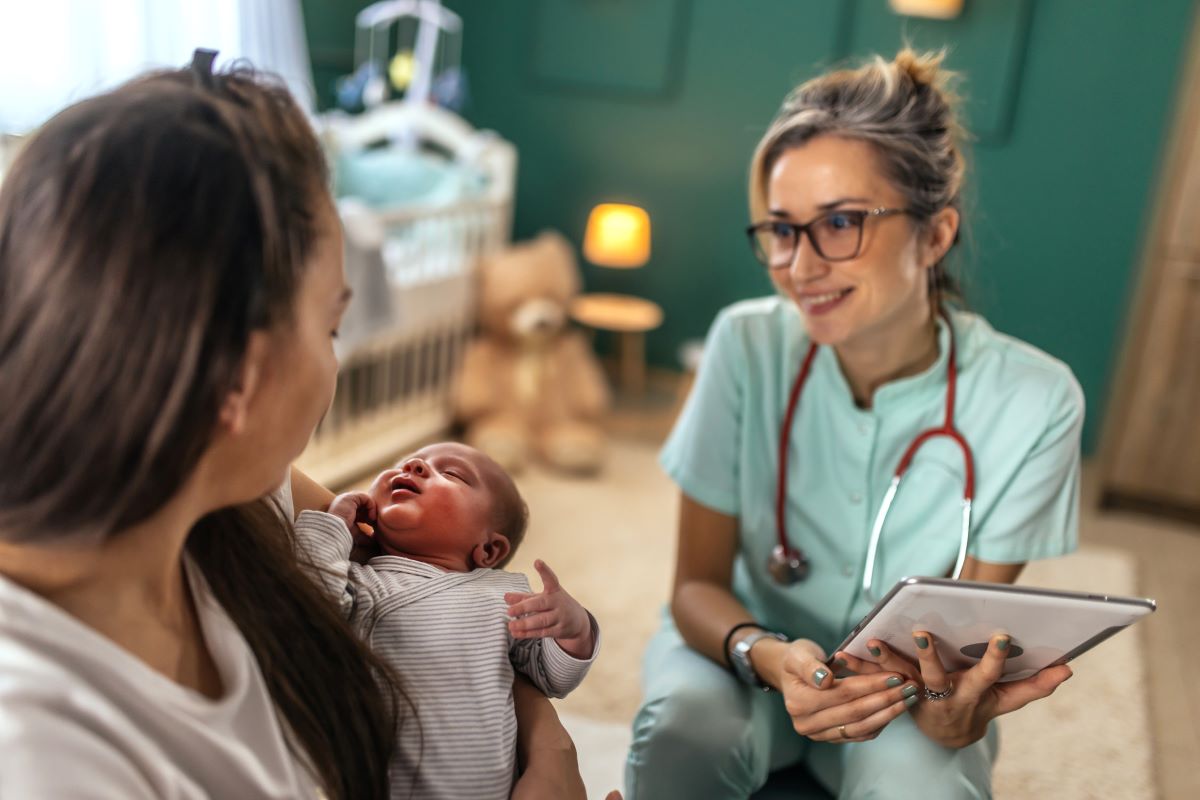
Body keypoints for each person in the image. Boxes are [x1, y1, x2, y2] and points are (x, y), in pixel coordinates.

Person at [0, 56, 589, 799]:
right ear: (240, 377)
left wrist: (545, 744)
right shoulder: (46, 753)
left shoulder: (250, 490)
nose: (335, 359)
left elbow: (455, 625)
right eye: (333, 327)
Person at [624, 49, 1083, 799]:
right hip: (751, 652)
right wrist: (767, 655)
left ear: (935, 235)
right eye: (782, 229)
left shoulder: (1037, 402)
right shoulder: (744, 344)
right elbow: (697, 586)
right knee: (685, 731)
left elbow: (967, 652)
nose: (800, 267)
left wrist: (953, 713)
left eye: (840, 222)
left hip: (910, 693)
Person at [294, 441, 599, 799]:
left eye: (451, 474)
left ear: (489, 549)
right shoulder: (360, 579)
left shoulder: (505, 596)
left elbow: (553, 677)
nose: (414, 467)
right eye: (405, 463)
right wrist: (332, 526)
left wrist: (575, 629)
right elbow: (308, 606)